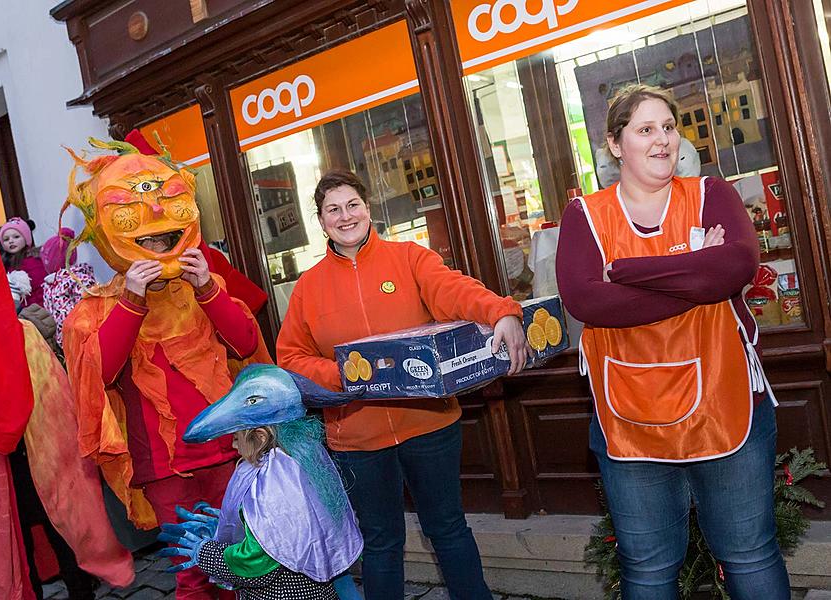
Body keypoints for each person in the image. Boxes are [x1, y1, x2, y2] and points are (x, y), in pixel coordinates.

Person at [555, 84, 789, 600]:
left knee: (749, 555)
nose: (662, 140)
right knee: (648, 569)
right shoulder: (585, 216)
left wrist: (628, 274)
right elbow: (586, 301)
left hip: (726, 406)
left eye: (668, 127)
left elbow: (734, 268)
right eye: (645, 129)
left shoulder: (710, 194)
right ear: (615, 145)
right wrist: (694, 278)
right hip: (629, 415)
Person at [276, 169, 528, 600]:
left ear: (368, 208)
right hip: (357, 438)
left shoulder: (409, 257)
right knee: (381, 543)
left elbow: (454, 290)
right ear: (321, 221)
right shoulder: (307, 288)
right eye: (332, 209)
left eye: (352, 204)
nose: (345, 215)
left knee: (448, 529)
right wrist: (345, 377)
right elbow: (290, 358)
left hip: (427, 425)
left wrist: (501, 311)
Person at [62, 136, 273, 600]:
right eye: (142, 233)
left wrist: (207, 289)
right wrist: (132, 301)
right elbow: (101, 375)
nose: (157, 234)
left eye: (165, 228)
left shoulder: (206, 285)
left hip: (228, 451)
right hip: (164, 466)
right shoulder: (96, 311)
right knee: (193, 572)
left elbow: (244, 342)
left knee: (250, 562)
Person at [0, 163, 133, 599]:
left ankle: (82, 592)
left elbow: (56, 400)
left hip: (40, 464)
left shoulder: (23, 333)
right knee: (16, 546)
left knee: (61, 535)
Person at [158, 364, 364, 600]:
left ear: (261, 436)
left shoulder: (275, 482)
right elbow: (284, 527)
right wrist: (231, 523)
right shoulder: (304, 459)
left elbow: (258, 564)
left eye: (237, 435)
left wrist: (205, 552)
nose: (233, 444)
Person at [41, 227, 97, 347]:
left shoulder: (76, 279)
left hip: (82, 339)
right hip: (63, 343)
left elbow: (91, 305)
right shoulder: (49, 284)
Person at [0, 217, 47, 307]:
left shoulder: (33, 261)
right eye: (6, 239)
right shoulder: (5, 264)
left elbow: (41, 288)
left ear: (26, 239)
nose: (11, 241)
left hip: (39, 310)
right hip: (22, 313)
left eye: (16, 237)